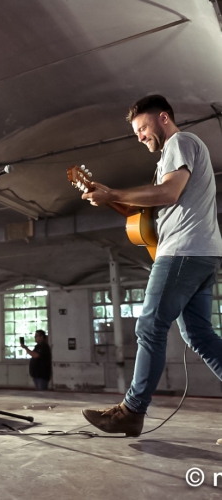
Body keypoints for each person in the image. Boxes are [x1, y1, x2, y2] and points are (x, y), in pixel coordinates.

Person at [81, 95, 222, 438]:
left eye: (142, 128)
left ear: (163, 118)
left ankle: (131, 411)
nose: (140, 136)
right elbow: (164, 201)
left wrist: (113, 193)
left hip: (183, 251)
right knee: (199, 334)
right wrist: (112, 197)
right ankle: (132, 410)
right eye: (136, 131)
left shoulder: (180, 141)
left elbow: (169, 193)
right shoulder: (171, 156)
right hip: (202, 252)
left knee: (150, 325)